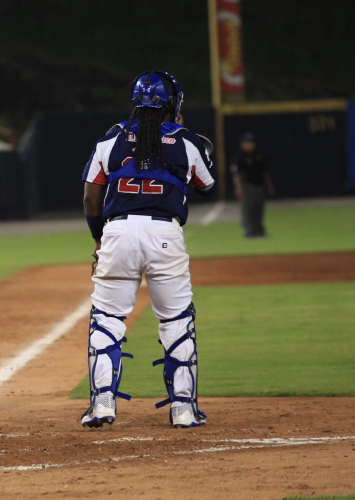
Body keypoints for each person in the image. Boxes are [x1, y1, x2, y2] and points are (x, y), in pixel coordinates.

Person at [81, 71, 216, 429]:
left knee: (107, 319)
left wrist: (98, 238)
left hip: (118, 231)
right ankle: (183, 408)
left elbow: (91, 197)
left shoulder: (111, 139)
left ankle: (102, 404)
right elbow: (206, 184)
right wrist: (187, 137)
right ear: (173, 105)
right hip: (164, 234)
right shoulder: (186, 140)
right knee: (176, 321)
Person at [230, 132, 274, 238]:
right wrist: (238, 188)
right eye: (247, 142)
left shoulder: (258, 155)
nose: (249, 145)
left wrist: (269, 185)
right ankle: (249, 231)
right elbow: (236, 174)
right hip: (247, 186)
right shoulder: (240, 157)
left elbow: (265, 172)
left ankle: (259, 231)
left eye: (251, 142)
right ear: (242, 144)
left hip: (259, 186)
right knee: (247, 209)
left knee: (258, 209)